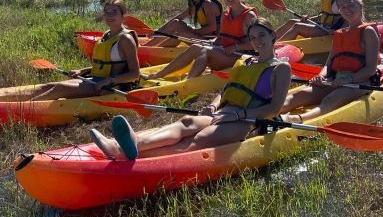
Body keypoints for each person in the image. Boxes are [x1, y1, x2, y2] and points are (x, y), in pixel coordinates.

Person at [90, 19, 291, 160]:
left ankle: (125, 155)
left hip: (247, 121)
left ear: (273, 35)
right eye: (253, 37)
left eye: (262, 35)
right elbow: (226, 90)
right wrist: (212, 107)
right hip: (223, 113)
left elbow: (274, 107)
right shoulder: (246, 61)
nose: (257, 41)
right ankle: (129, 144)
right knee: (186, 122)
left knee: (201, 138)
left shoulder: (281, 68)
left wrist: (240, 114)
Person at [0, 0, 141, 102]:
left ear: (123, 16)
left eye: (114, 12)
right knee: (50, 85)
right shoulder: (106, 35)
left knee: (59, 89)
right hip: (95, 80)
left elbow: (134, 74)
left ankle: (19, 109)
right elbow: (105, 64)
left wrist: (108, 81)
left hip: (109, 87)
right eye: (106, 12)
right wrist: (83, 70)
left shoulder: (125, 39)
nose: (109, 15)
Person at [281, 0, 380, 123]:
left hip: (360, 81)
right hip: (336, 79)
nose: (347, 9)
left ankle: (295, 119)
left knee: (331, 99)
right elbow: (328, 64)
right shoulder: (339, 34)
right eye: (342, 7)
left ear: (360, 6)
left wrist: (350, 79)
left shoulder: (368, 32)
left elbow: (371, 69)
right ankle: (267, 113)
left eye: (350, 5)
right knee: (298, 95)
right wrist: (321, 76)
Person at [147, 0, 257, 80]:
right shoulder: (226, 14)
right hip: (225, 52)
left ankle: (187, 82)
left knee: (205, 51)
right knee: (196, 46)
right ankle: (160, 74)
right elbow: (221, 37)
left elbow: (257, 43)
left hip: (241, 56)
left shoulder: (249, 16)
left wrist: (235, 47)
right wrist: (211, 42)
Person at [148, 0, 222, 47]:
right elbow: (178, 18)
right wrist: (158, 32)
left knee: (181, 34)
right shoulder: (196, 4)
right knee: (175, 23)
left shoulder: (207, 3)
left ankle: (155, 50)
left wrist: (193, 31)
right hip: (202, 36)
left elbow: (212, 28)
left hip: (212, 41)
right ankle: (148, 46)